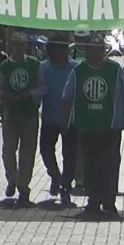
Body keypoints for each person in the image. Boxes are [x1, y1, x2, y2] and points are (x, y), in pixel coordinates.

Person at [61, 32, 124, 218]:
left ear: (104, 51)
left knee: (110, 164)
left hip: (110, 126)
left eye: (99, 49)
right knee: (90, 165)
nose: (96, 52)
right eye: (92, 49)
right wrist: (64, 122)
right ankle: (93, 200)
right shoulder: (78, 72)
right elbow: (66, 98)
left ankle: (109, 202)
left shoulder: (114, 70)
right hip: (86, 126)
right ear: (87, 51)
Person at [0, 32, 46, 204]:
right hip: (10, 114)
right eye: (15, 45)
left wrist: (30, 95)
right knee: (8, 150)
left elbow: (43, 87)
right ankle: (12, 180)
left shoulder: (33, 64)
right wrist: (3, 96)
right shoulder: (4, 66)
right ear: (10, 47)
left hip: (29, 114)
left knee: (27, 153)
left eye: (21, 46)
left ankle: (24, 186)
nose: (18, 49)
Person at [39, 32, 79, 204]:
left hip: (71, 120)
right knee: (46, 150)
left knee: (70, 155)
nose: (61, 51)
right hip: (49, 117)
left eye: (64, 48)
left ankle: (65, 186)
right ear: (50, 49)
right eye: (57, 47)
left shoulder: (75, 68)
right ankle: (55, 175)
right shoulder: (43, 67)